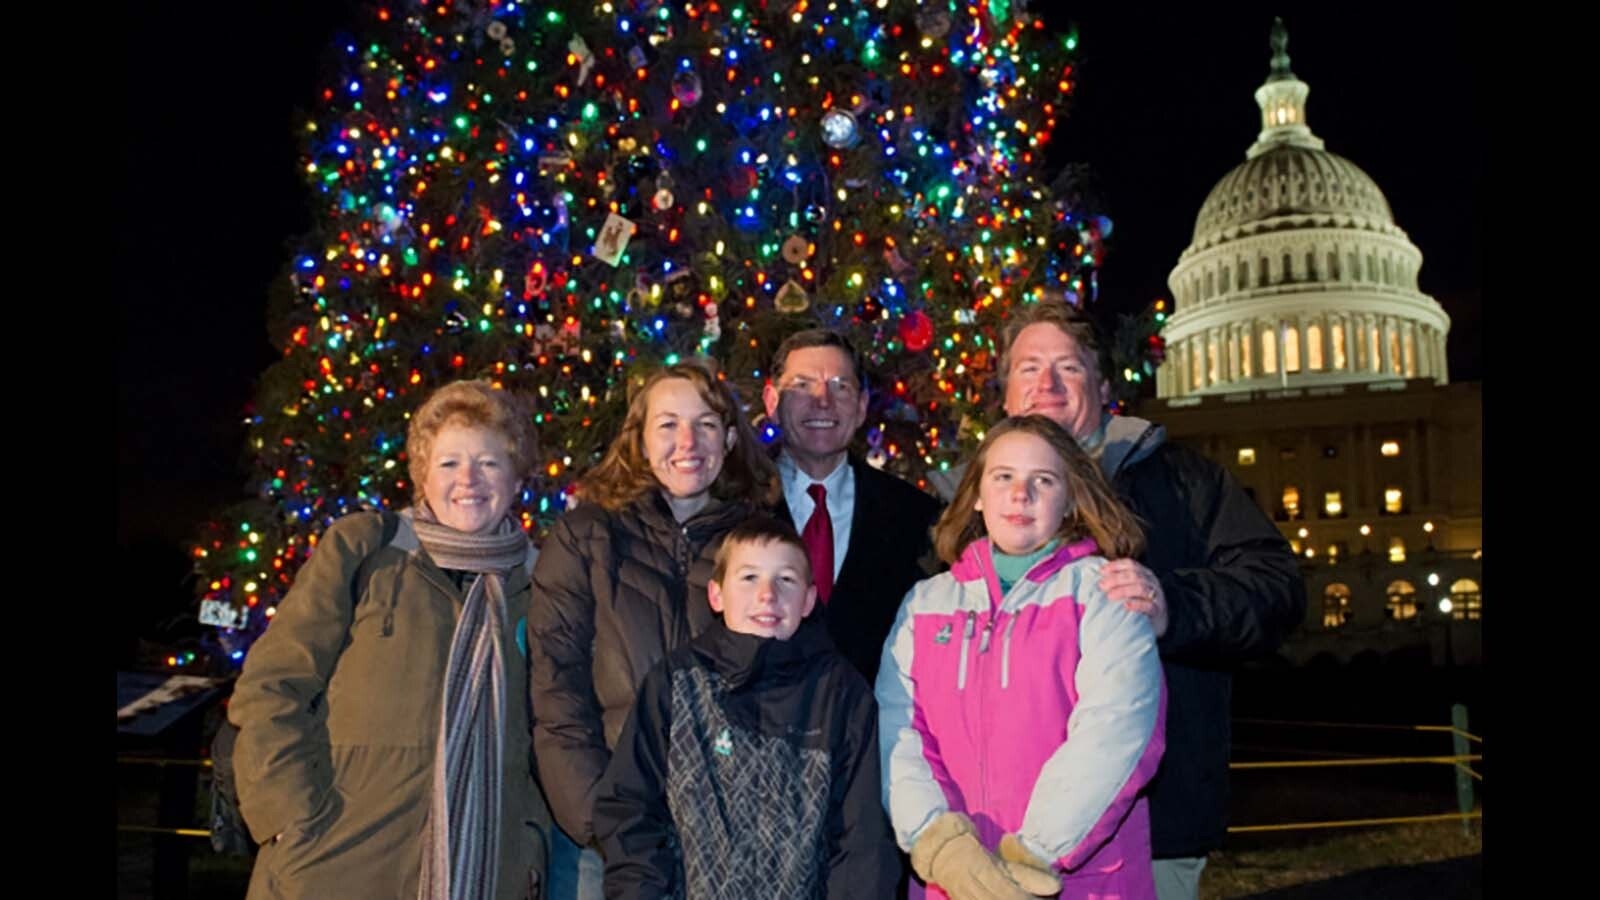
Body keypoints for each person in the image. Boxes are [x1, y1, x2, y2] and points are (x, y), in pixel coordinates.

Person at [963, 302, 1307, 900]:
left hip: (1150, 825)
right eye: (1029, 369)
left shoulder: (1182, 481)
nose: (1046, 385)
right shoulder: (975, 502)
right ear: (1006, 393)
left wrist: (1176, 607)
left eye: (1067, 368)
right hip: (1002, 830)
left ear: (1101, 385)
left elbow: (1276, 586)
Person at [229, 379, 551, 900]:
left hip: (486, 873)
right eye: (448, 463)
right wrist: (288, 819)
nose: (468, 479)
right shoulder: (367, 550)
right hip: (332, 868)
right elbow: (271, 686)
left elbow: (550, 736)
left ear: (516, 478)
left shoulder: (540, 586)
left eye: (489, 463)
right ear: (421, 475)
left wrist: (528, 845)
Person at [879, 415, 1166, 900]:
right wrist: (941, 846)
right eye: (1003, 477)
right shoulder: (925, 604)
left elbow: (1118, 731)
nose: (1020, 494)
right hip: (955, 883)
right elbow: (899, 731)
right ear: (976, 494)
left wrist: (1031, 856)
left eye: (1044, 480)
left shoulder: (1104, 592)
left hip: (1074, 881)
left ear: (1071, 498)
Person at [529, 361, 782, 900]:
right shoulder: (586, 536)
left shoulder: (763, 543)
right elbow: (557, 685)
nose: (687, 442)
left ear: (730, 438)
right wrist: (604, 820)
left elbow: (792, 686)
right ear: (640, 441)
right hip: (610, 838)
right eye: (667, 424)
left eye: (706, 424)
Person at [593, 517, 901, 899]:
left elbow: (862, 839)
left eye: (785, 579)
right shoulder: (676, 683)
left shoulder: (840, 694)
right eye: (749, 578)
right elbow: (631, 810)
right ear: (716, 595)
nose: (767, 595)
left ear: (807, 600)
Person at [762, 329, 942, 683]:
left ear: (861, 407)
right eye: (802, 385)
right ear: (772, 402)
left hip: (874, 730)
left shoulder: (914, 516)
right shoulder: (734, 507)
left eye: (840, 386)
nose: (822, 400)